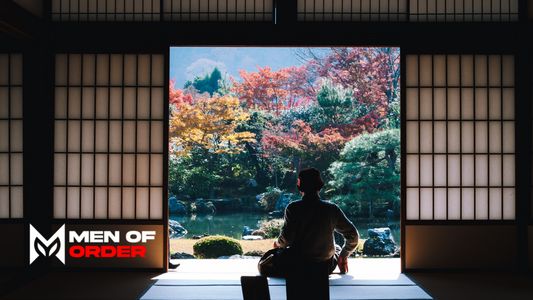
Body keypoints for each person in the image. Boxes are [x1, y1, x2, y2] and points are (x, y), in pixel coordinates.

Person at [274, 167, 359, 275]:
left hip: (297, 266)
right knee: (336, 248)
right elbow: (353, 235)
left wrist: (277, 243)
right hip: (324, 267)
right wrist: (344, 254)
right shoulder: (331, 209)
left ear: (299, 185)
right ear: (319, 187)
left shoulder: (293, 208)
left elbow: (286, 240)